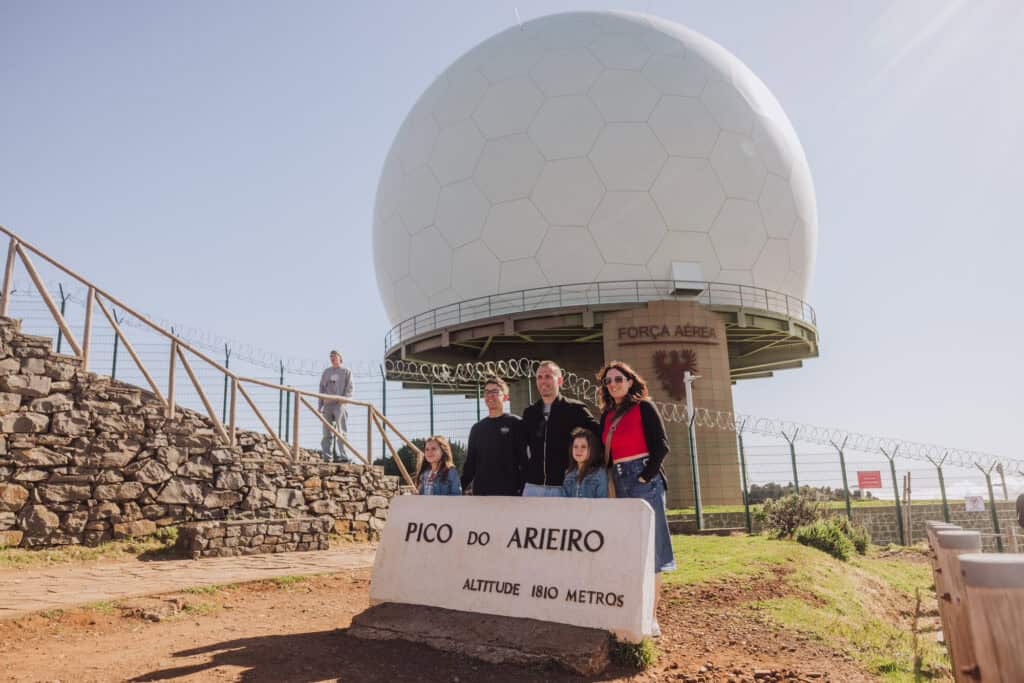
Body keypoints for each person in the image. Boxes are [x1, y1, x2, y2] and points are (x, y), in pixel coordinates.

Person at [597, 360, 675, 635]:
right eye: (608, 381)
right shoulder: (606, 416)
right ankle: (630, 609)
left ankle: (651, 617)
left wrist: (645, 476)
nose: (613, 384)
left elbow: (662, 446)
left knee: (652, 547)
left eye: (618, 379)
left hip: (643, 478)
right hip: (618, 479)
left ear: (630, 381)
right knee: (628, 547)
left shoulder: (645, 407)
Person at [521, 360, 600, 497]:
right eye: (539, 377)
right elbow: (520, 447)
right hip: (533, 487)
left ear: (560, 380)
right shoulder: (530, 413)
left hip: (564, 486)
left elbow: (597, 438)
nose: (543, 381)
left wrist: (586, 471)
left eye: (548, 376)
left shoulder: (575, 409)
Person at [461, 376, 527, 496]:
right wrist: (459, 489)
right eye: (487, 392)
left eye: (495, 392)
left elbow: (524, 460)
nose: (490, 395)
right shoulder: (477, 428)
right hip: (482, 494)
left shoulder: (517, 423)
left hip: (511, 494)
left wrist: (522, 489)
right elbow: (470, 465)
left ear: (505, 397)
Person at [318, 350, 353, 463]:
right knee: (326, 432)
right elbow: (321, 389)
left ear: (340, 358)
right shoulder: (326, 372)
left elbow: (350, 387)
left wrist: (344, 400)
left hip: (339, 404)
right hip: (327, 404)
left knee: (341, 431)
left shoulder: (346, 371)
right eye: (331, 357)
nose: (332, 358)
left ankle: (343, 456)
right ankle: (327, 457)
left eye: (335, 356)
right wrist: (320, 405)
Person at [562, 427, 608, 499]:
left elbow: (602, 502)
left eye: (583, 447)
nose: (578, 450)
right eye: (575, 446)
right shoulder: (568, 474)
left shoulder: (599, 473)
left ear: (591, 449)